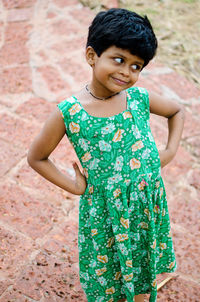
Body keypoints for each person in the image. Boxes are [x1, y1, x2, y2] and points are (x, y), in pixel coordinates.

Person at [27, 8, 184, 302]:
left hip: (144, 206)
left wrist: (170, 151)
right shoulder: (70, 113)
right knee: (108, 281)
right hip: (106, 215)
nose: (126, 72)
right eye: (119, 60)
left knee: (141, 272)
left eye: (137, 66)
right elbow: (36, 157)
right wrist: (73, 186)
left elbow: (176, 111)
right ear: (91, 56)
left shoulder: (138, 98)